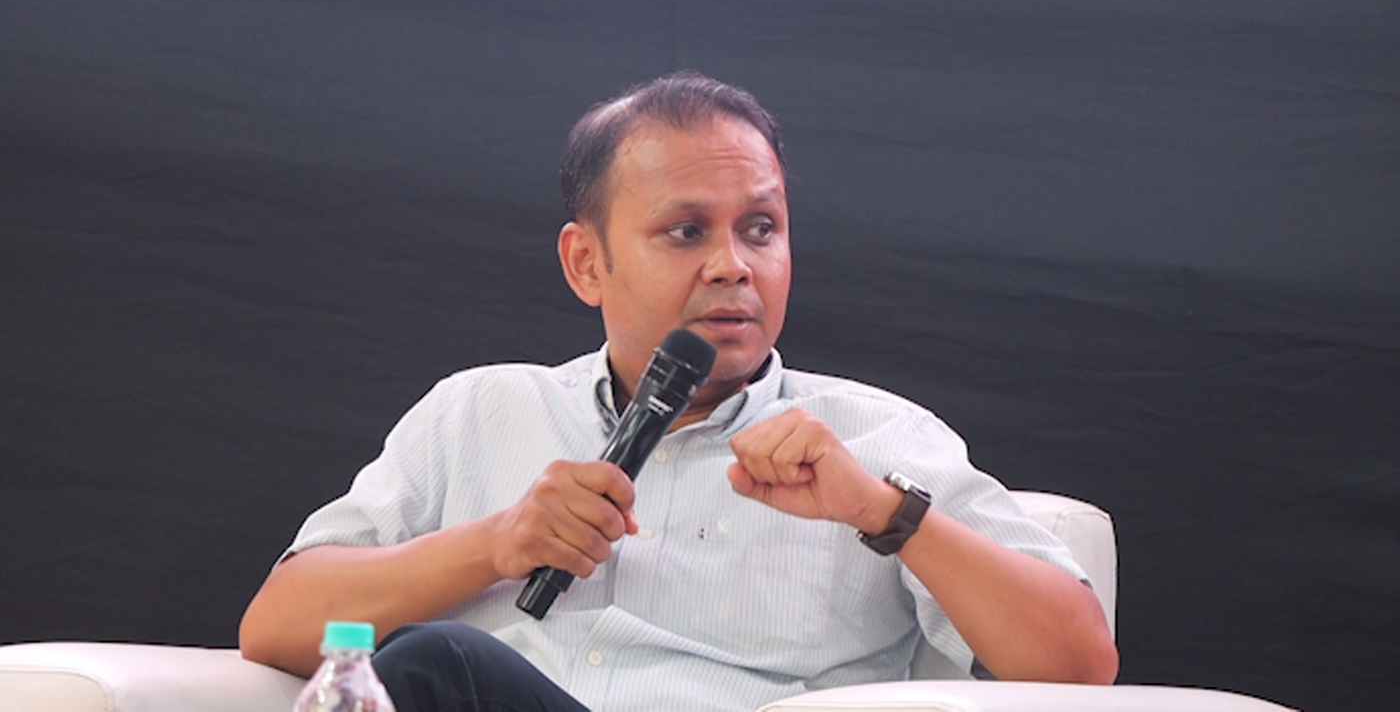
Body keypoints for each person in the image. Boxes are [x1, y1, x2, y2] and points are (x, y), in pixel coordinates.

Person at [240, 72, 1117, 711]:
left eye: (761, 229)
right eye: (686, 231)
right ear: (587, 263)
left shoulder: (878, 440)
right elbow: (278, 626)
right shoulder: (476, 412)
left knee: (441, 667)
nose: (733, 265)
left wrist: (880, 510)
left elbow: (1081, 668)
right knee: (431, 668)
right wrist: (496, 543)